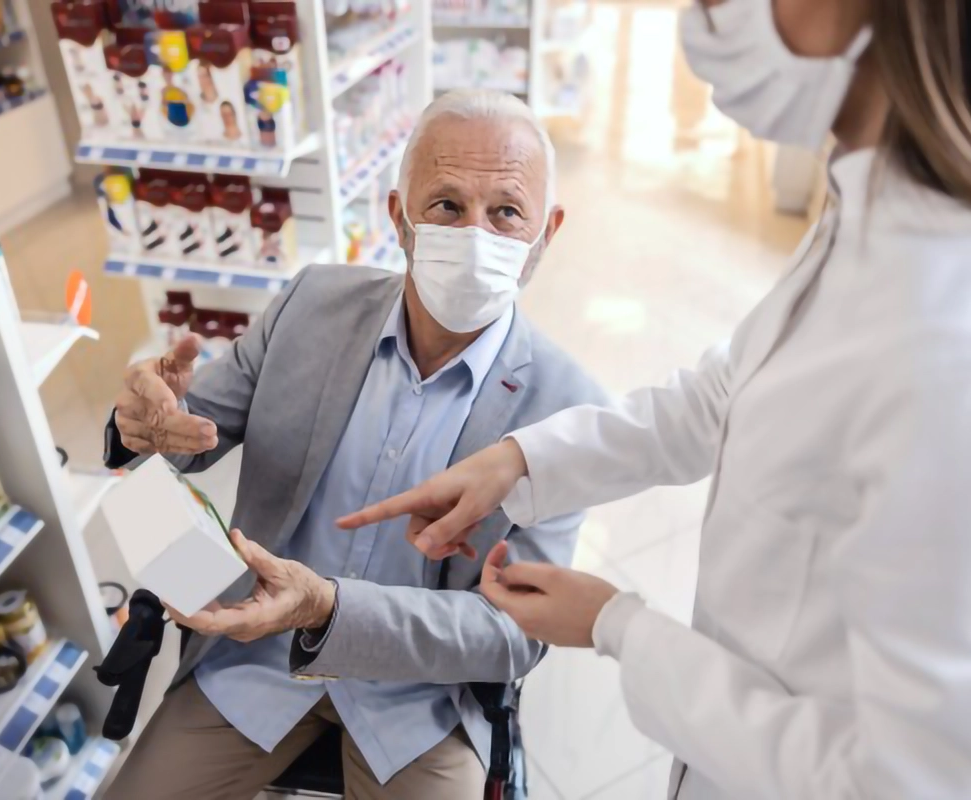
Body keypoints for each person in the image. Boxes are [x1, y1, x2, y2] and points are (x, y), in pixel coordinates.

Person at [339, 1, 971, 797]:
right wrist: (516, 460)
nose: (708, 16)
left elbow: (930, 779)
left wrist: (620, 628)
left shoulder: (964, 345)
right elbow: (723, 394)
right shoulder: (868, 212)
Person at [102, 89, 607, 800]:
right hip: (257, 657)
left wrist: (329, 612)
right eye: (446, 206)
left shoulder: (566, 405)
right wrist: (144, 419)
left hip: (420, 698)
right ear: (398, 217)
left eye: (505, 213)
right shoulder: (312, 306)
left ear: (546, 232)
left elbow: (515, 633)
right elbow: (187, 435)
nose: (474, 237)